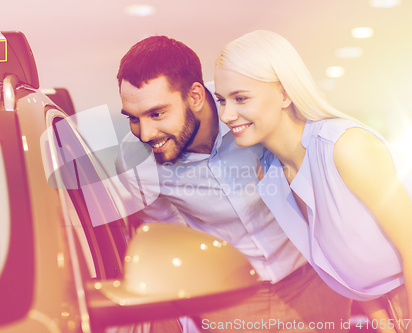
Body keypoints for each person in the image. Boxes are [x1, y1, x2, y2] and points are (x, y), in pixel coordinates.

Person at [115, 35, 351, 332]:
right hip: (229, 299)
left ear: (196, 96)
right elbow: (168, 235)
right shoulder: (135, 161)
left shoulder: (249, 113)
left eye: (157, 113)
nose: (146, 133)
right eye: (133, 119)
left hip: (314, 279)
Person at [214, 30, 412, 333]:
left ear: (284, 93)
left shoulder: (345, 146)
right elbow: (342, 267)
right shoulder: (268, 175)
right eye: (222, 100)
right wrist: (386, 325)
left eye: (240, 98)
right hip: (387, 310)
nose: (227, 115)